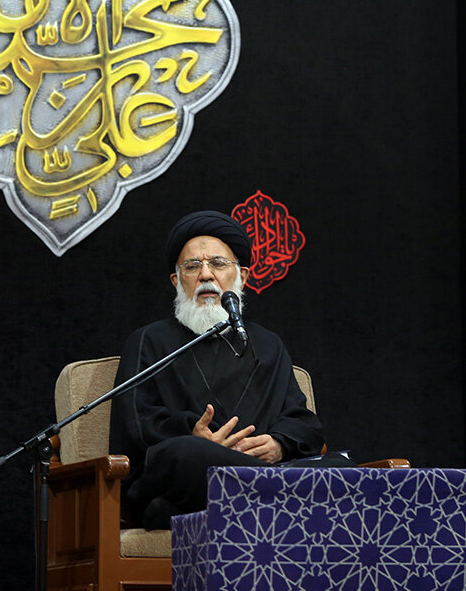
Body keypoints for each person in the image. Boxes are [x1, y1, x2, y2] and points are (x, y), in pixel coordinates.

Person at [109, 210, 350, 530]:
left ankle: (237, 497)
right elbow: (136, 426)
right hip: (190, 473)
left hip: (241, 474)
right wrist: (194, 435)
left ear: (243, 277)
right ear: (176, 281)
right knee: (188, 454)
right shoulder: (149, 341)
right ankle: (282, 493)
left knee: (340, 464)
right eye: (192, 266)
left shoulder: (268, 344)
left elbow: (303, 422)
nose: (205, 275)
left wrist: (278, 445)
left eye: (218, 264)